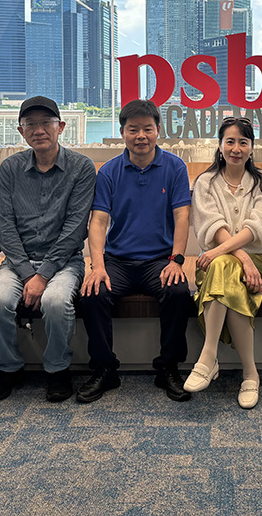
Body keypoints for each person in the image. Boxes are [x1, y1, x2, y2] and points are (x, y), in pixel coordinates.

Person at [0, 96, 95, 403]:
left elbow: (75, 229)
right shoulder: (10, 168)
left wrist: (43, 275)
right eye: (31, 124)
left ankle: (58, 368)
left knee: (56, 302)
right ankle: (9, 366)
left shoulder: (81, 168)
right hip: (17, 261)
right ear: (21, 131)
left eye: (46, 123)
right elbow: (6, 226)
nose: (39, 130)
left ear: (61, 127)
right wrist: (28, 273)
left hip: (64, 261)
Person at [77, 99, 193, 403]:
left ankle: (168, 367)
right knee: (92, 293)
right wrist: (97, 266)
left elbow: (182, 216)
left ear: (158, 130)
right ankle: (104, 369)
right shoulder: (109, 171)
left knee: (179, 292)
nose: (140, 136)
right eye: (133, 129)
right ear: (123, 133)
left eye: (147, 129)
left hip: (160, 260)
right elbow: (98, 221)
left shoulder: (174, 167)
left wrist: (177, 261)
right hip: (118, 261)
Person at [185, 116, 262, 409]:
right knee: (226, 271)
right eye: (230, 141)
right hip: (216, 263)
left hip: (252, 262)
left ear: (251, 147)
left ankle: (208, 357)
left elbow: (259, 227)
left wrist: (238, 257)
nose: (236, 148)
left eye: (243, 142)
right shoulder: (206, 182)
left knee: (223, 267)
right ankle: (250, 374)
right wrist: (241, 257)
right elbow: (211, 224)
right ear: (220, 145)